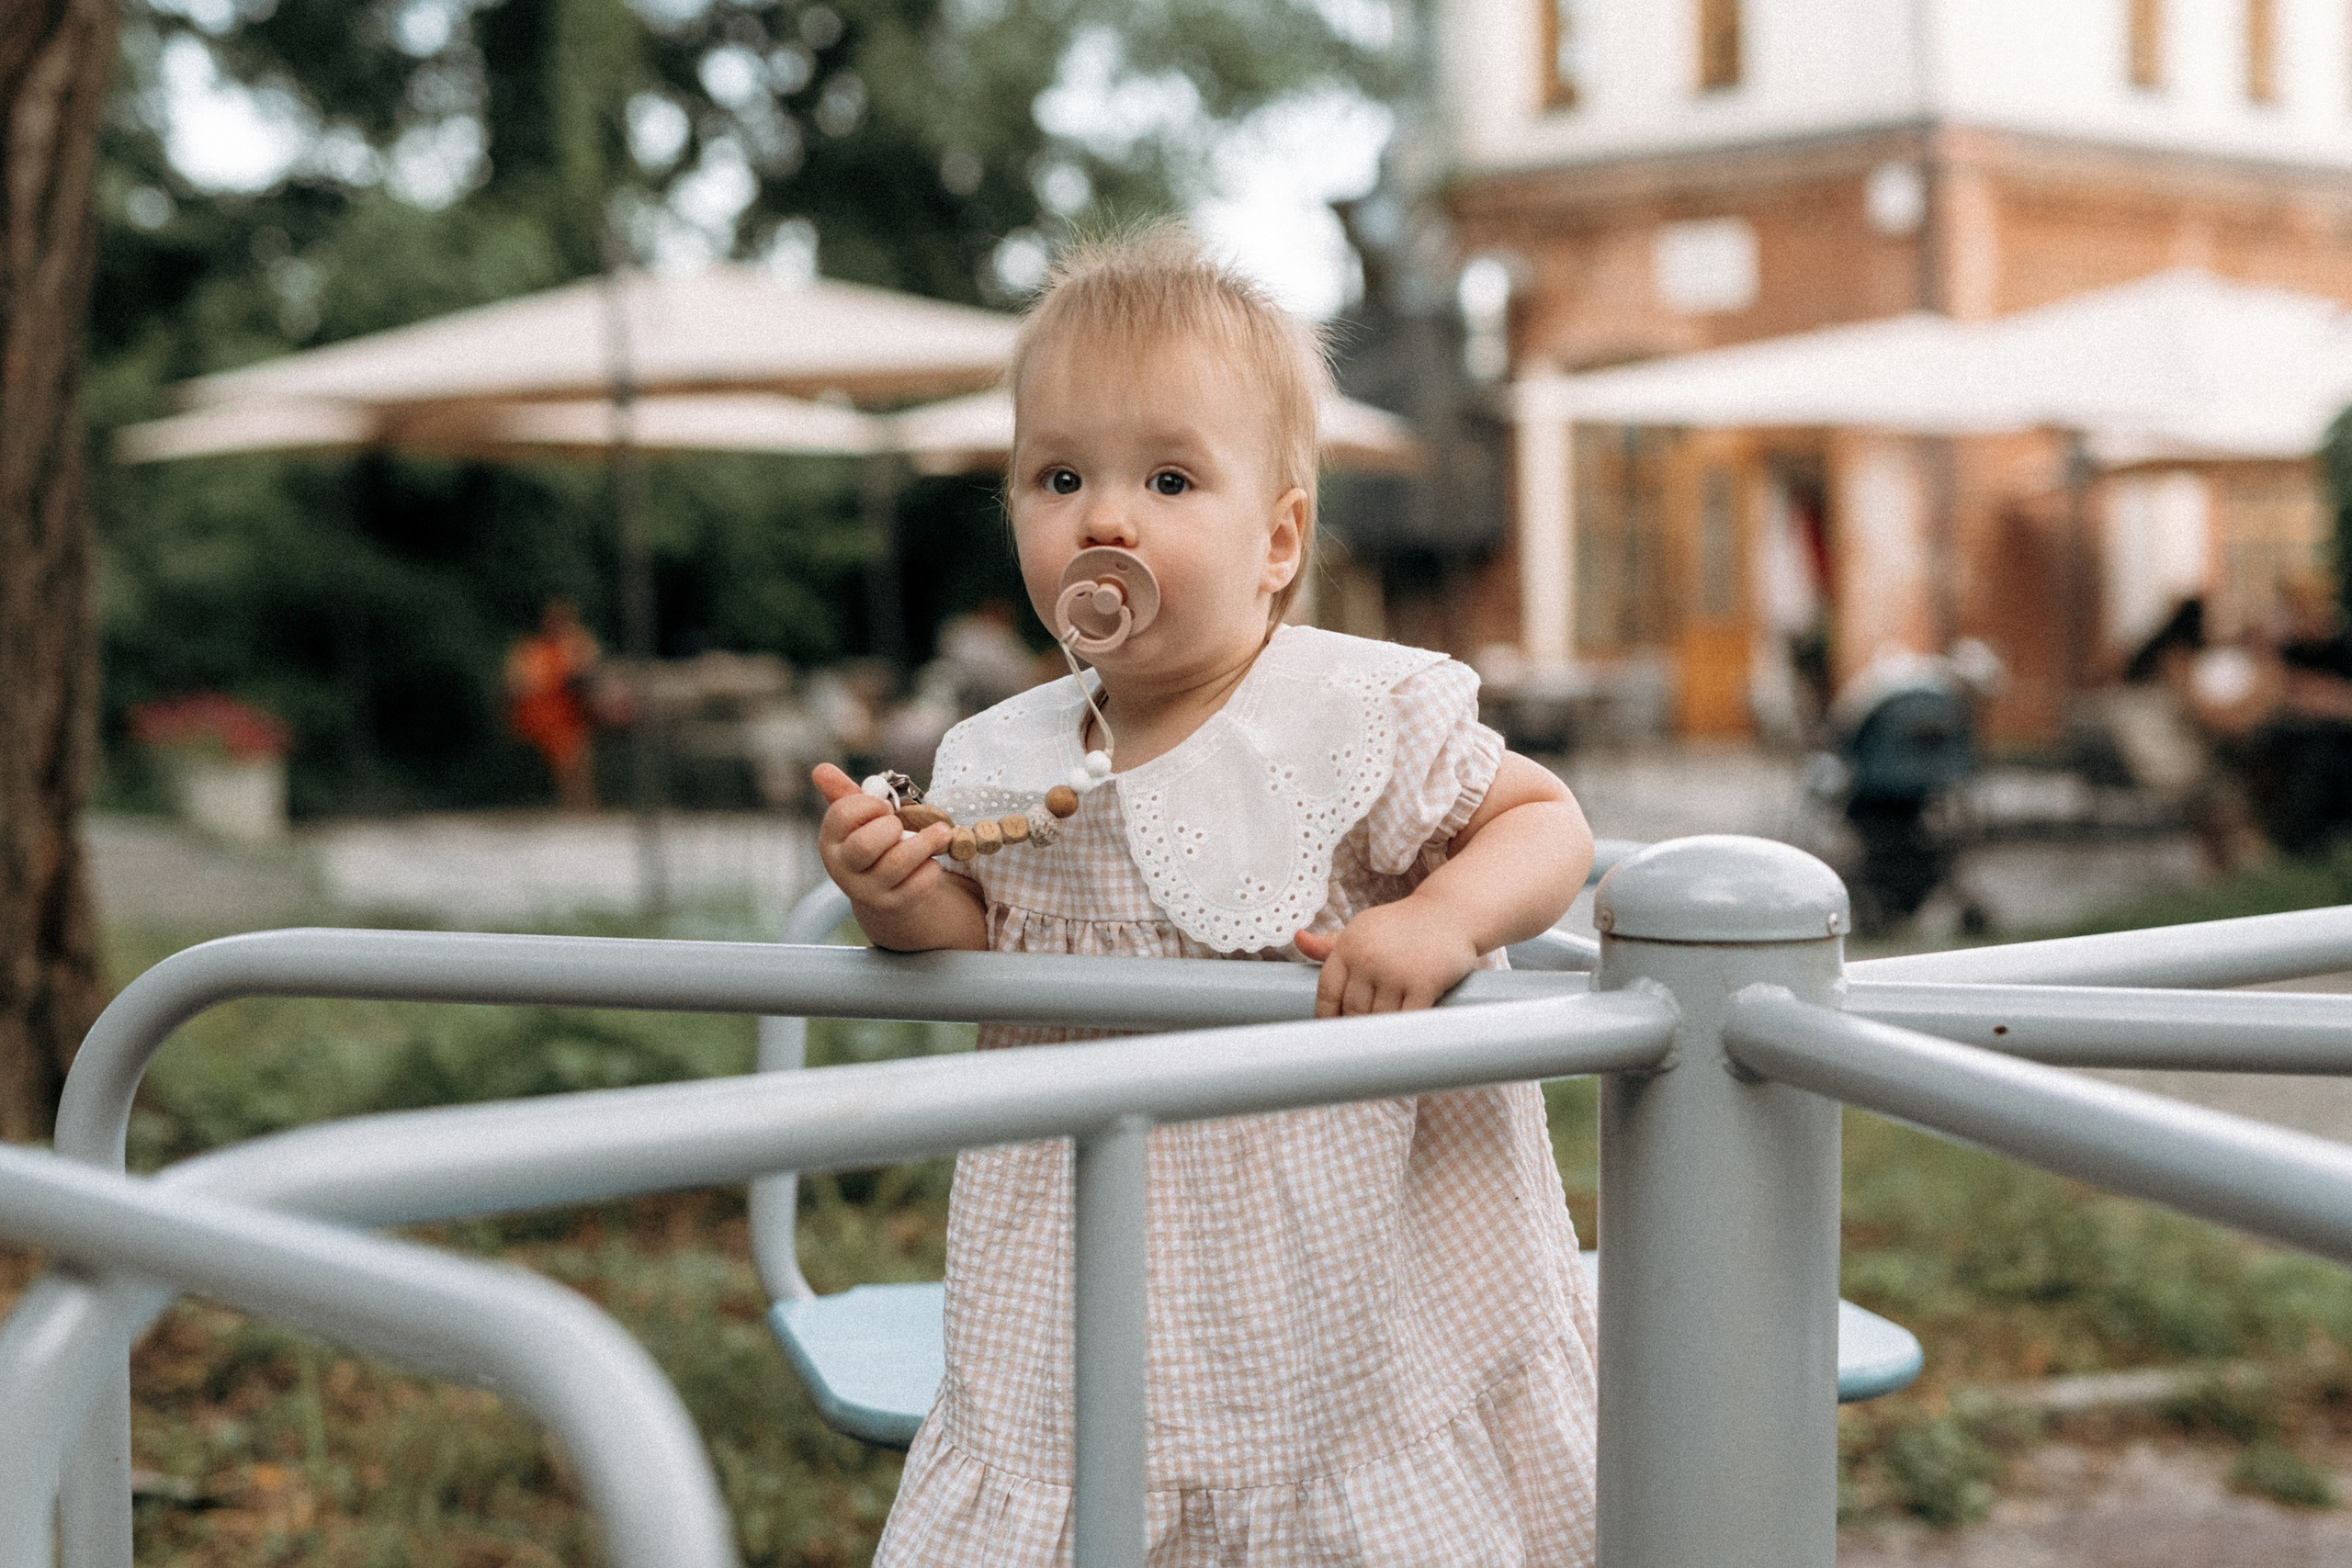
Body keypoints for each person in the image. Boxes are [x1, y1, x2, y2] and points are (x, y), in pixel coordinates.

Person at [809, 223, 1600, 1565]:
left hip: (1347, 1262)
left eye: (1170, 477)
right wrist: (895, 897)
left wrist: (1437, 917)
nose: (1104, 517)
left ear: (1278, 537)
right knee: (1098, 1485)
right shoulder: (1001, 754)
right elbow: (978, 939)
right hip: (1081, 1256)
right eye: (1059, 475)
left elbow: (1544, 819)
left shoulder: (1349, 710)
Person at [505, 599, 605, 812]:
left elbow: (589, 671)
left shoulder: (576, 645)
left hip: (573, 714)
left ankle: (583, 800)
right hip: (542, 716)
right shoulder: (532, 651)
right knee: (567, 748)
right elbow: (518, 685)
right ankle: (574, 801)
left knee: (579, 746)